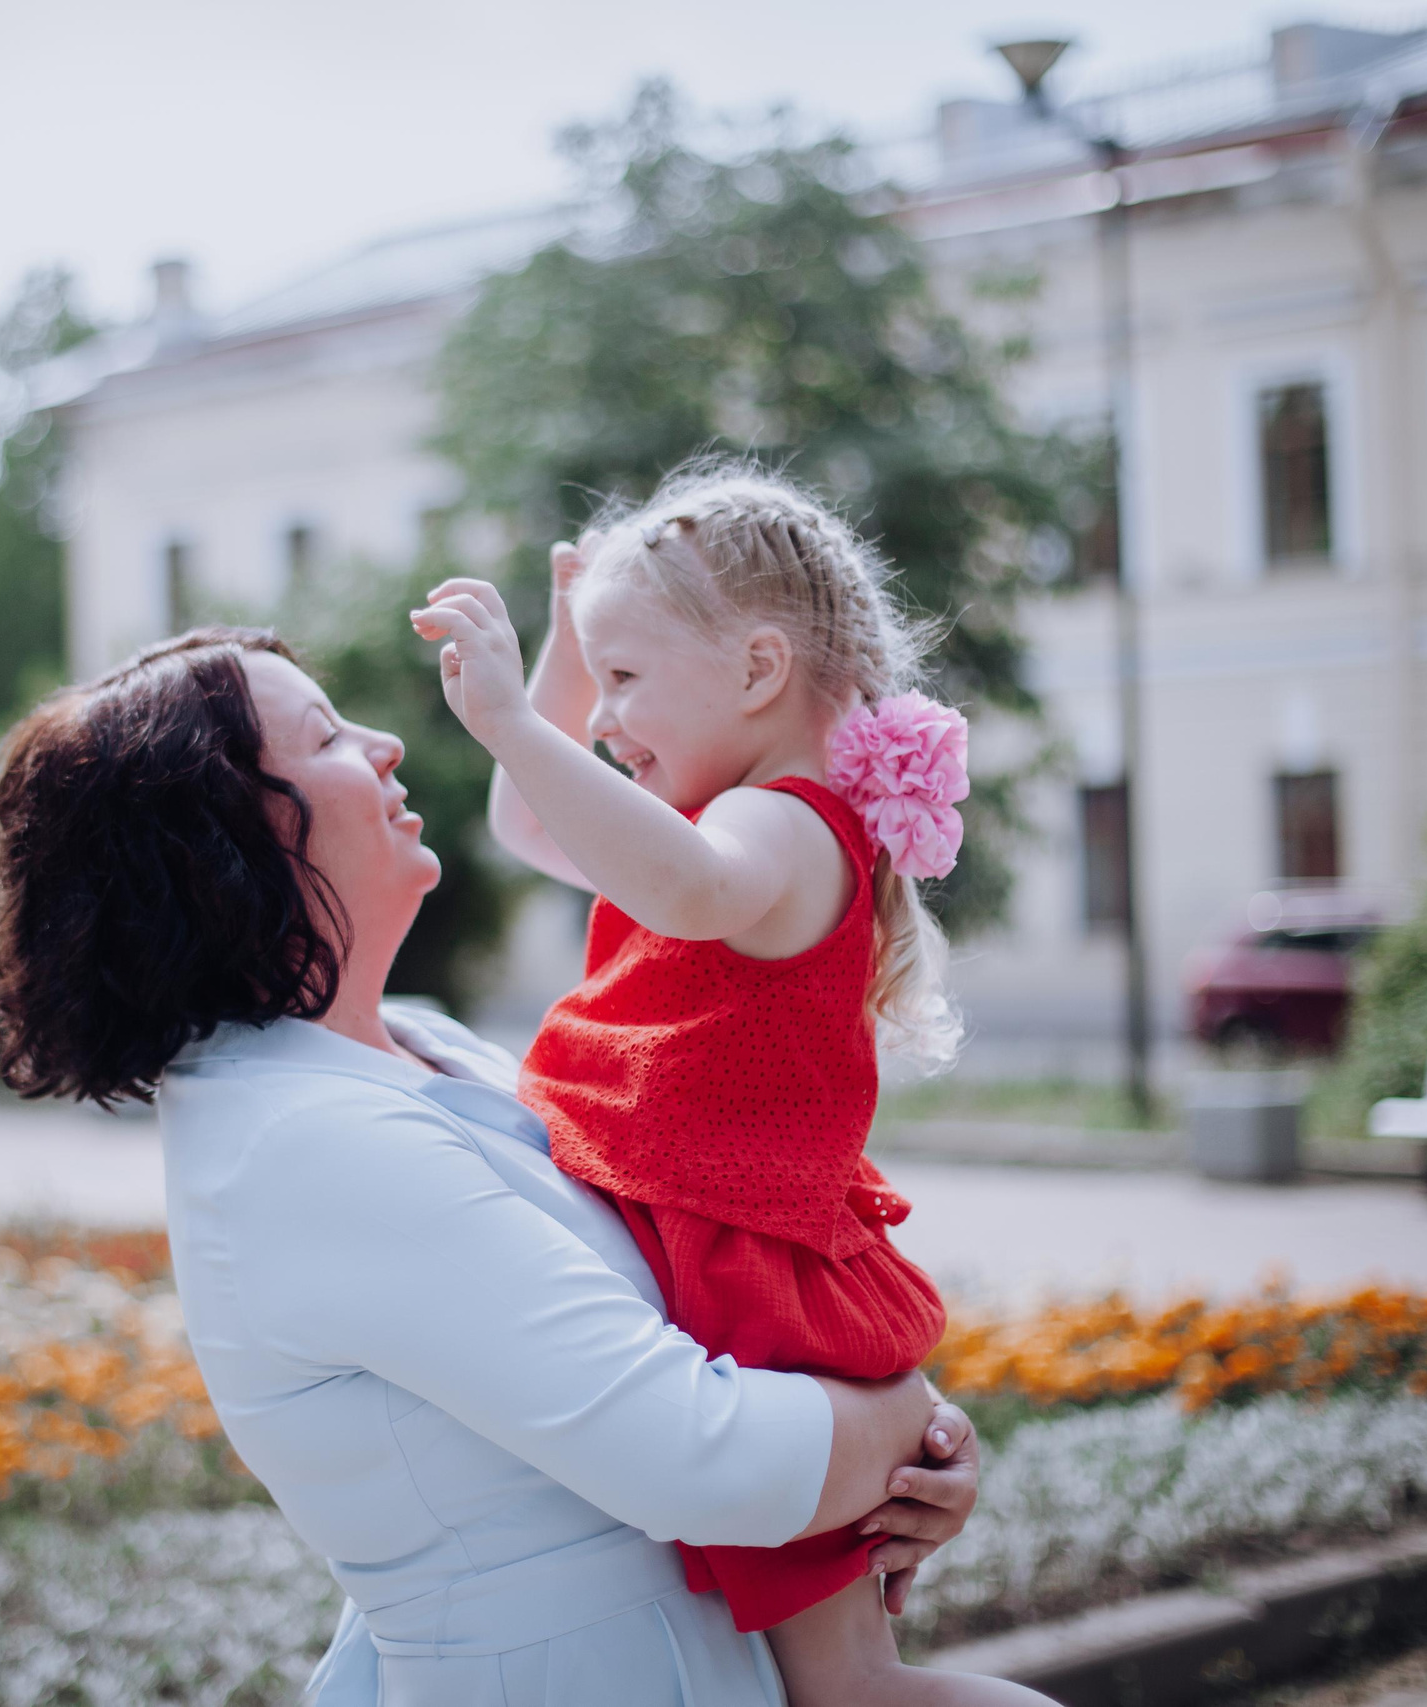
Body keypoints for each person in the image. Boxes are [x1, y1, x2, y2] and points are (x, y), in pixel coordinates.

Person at [0, 628, 989, 1706]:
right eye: (325, 737)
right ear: (219, 842)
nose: (383, 743)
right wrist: (903, 1421)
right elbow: (694, 1454)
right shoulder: (310, 1146)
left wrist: (916, 1448)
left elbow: (695, 1290)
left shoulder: (420, 1046)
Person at [410, 463, 1046, 1706]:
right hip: (708, 1260)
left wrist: (514, 722)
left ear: (758, 671)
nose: (603, 720)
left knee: (851, 1690)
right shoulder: (719, 817)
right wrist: (567, 653)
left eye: (626, 680)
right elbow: (536, 825)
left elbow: (685, 887)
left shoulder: (779, 824)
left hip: (748, 1296)